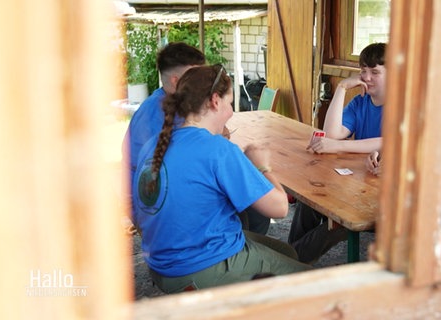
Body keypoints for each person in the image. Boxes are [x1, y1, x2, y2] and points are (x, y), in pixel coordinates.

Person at [132, 65, 311, 292]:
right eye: (229, 103)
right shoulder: (217, 149)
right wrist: (262, 166)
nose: (231, 112)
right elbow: (280, 208)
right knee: (314, 283)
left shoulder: (154, 144)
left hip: (161, 264)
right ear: (215, 101)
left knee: (288, 253)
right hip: (200, 267)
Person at [122, 42, 270, 235]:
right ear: (176, 81)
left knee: (247, 201)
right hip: (156, 206)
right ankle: (237, 255)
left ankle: (242, 251)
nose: (203, 81)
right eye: (195, 75)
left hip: (161, 194)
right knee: (252, 204)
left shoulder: (172, 102)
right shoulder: (156, 114)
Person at [289, 43, 387, 264]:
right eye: (363, 71)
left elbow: (388, 142)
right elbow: (332, 133)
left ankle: (290, 261)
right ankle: (290, 258)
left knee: (338, 221)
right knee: (311, 198)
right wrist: (342, 88)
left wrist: (338, 146)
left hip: (383, 191)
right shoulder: (360, 102)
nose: (367, 77)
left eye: (375, 72)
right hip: (359, 180)